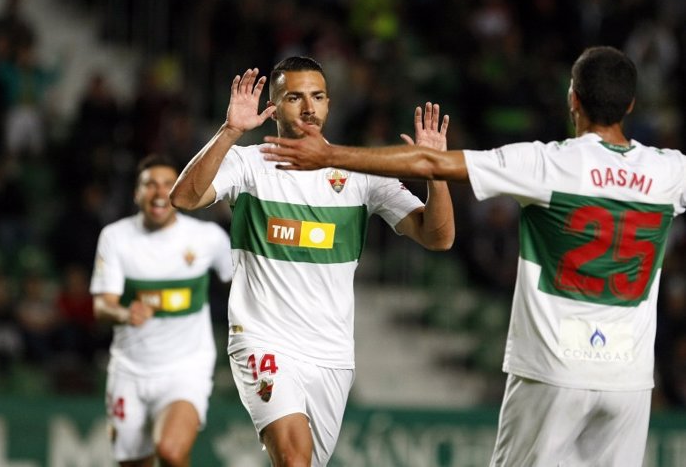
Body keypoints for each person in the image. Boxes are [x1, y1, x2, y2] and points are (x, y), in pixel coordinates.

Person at [261, 46, 686, 467]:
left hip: (556, 370)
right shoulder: (670, 171)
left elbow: (432, 162)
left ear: (572, 97)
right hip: (629, 380)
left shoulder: (549, 164)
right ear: (630, 104)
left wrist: (329, 155)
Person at [169, 56, 454, 466]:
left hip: (332, 354)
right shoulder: (249, 165)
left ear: (329, 104)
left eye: (317, 97)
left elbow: (438, 236)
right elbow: (184, 197)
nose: (308, 108)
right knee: (294, 459)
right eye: (294, 98)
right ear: (274, 108)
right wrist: (230, 131)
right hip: (263, 339)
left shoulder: (361, 173)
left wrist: (436, 173)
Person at [90, 154, 233, 467]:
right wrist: (125, 314)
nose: (159, 193)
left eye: (169, 184)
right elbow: (102, 305)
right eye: (150, 185)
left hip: (185, 368)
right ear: (136, 194)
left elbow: (240, 282)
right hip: (129, 370)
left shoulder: (207, 238)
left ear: (180, 189)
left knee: (169, 450)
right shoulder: (115, 238)